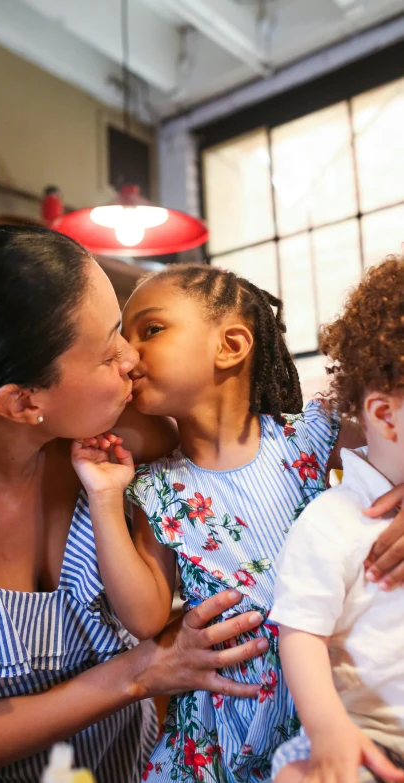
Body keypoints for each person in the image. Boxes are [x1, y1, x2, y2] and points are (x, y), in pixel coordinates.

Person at [0, 226, 269, 783]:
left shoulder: (115, 429)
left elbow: (273, 444)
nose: (132, 358)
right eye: (110, 347)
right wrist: (144, 672)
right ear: (22, 402)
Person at [71, 263, 404, 783]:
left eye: (151, 330)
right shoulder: (156, 486)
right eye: (125, 338)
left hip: (332, 703)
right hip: (224, 724)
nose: (131, 354)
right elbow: (144, 615)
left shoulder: (313, 433)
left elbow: (396, 435)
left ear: (231, 345)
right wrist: (105, 496)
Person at [269, 257, 404, 783]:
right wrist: (327, 729)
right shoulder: (334, 521)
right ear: (386, 416)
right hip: (371, 736)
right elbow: (300, 633)